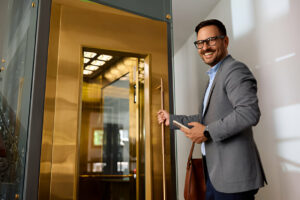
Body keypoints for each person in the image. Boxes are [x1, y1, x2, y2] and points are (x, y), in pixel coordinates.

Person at [157, 19, 267, 200]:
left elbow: (249, 112)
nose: (205, 47)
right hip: (215, 175)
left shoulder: (235, 70)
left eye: (211, 40)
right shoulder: (214, 76)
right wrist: (172, 119)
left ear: (225, 41)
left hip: (233, 180)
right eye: (200, 43)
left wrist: (207, 132)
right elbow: (204, 118)